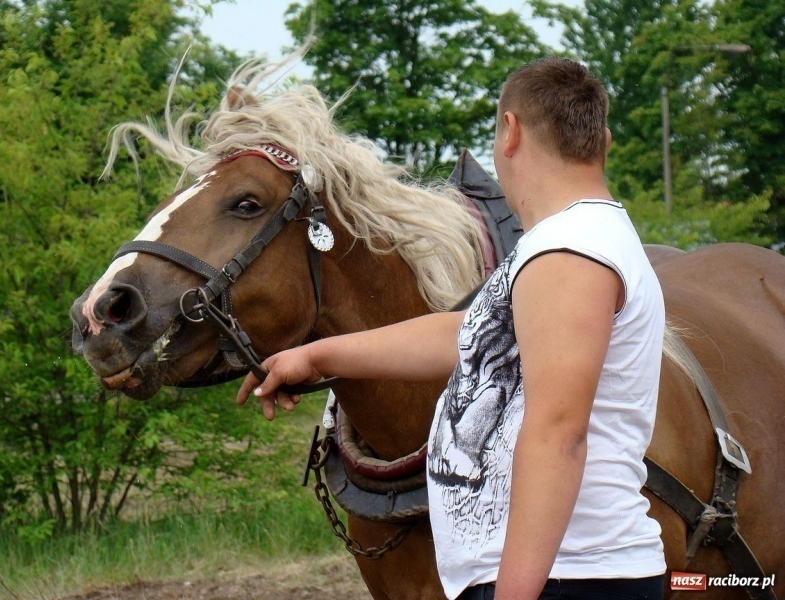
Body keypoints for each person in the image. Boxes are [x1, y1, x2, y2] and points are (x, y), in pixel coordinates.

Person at [236, 57, 667, 600]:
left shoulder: (569, 251)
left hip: (568, 578)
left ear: (510, 132)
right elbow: (464, 334)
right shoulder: (566, 243)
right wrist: (318, 357)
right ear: (601, 140)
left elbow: (559, 434)